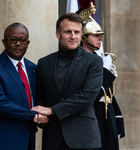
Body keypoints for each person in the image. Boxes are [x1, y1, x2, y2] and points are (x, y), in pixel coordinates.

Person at [32, 13, 103, 150]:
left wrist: (51, 111)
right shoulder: (44, 63)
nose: (73, 36)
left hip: (83, 138)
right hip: (53, 138)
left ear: (81, 34)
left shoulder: (94, 62)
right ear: (58, 34)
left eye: (77, 32)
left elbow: (87, 97)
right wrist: (41, 118)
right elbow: (41, 97)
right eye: (67, 32)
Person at [0, 23, 47, 150]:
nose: (18, 44)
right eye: (13, 40)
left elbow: (37, 98)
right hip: (1, 140)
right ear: (4, 42)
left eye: (22, 40)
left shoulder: (33, 68)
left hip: (27, 138)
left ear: (28, 43)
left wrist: (45, 113)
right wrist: (32, 114)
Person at [76, 2, 125, 150]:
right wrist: (105, 69)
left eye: (101, 35)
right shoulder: (79, 61)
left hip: (107, 116)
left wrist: (118, 120)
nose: (100, 39)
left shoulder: (99, 59)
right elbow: (94, 93)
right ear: (84, 37)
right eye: (96, 35)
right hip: (93, 116)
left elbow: (109, 93)